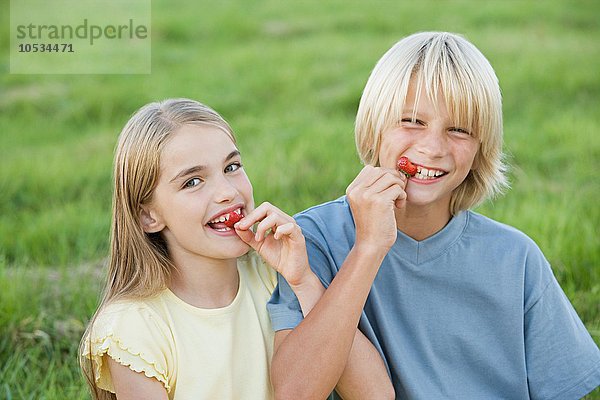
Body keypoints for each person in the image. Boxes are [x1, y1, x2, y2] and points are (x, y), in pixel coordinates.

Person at [268, 32, 600, 399]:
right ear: (374, 128)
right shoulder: (312, 239)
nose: (432, 148)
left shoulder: (515, 258)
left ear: (480, 149)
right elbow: (296, 391)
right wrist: (369, 248)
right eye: (411, 121)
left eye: (458, 129)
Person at [78, 98, 392, 399]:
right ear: (148, 215)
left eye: (232, 167)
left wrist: (304, 281)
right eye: (193, 182)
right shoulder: (135, 326)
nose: (227, 192)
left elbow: (374, 393)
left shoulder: (275, 277)